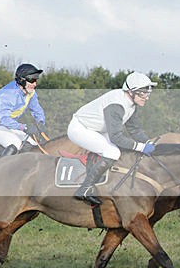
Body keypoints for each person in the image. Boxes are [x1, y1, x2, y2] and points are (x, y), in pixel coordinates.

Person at [67, 72, 157, 206]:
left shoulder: (131, 104)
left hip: (97, 130)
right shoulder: (117, 104)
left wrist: (148, 142)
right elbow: (116, 137)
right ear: (131, 92)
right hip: (80, 128)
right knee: (113, 152)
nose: (146, 97)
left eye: (147, 93)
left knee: (117, 150)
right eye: (143, 93)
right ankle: (84, 189)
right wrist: (141, 147)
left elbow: (134, 130)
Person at [0, 63, 47, 156]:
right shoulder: (8, 94)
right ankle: (0, 169)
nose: (34, 84)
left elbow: (37, 110)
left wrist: (41, 123)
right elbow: (4, 120)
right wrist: (25, 127)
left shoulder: (30, 93)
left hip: (7, 127)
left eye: (35, 80)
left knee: (33, 144)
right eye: (31, 80)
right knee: (15, 143)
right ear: (22, 80)